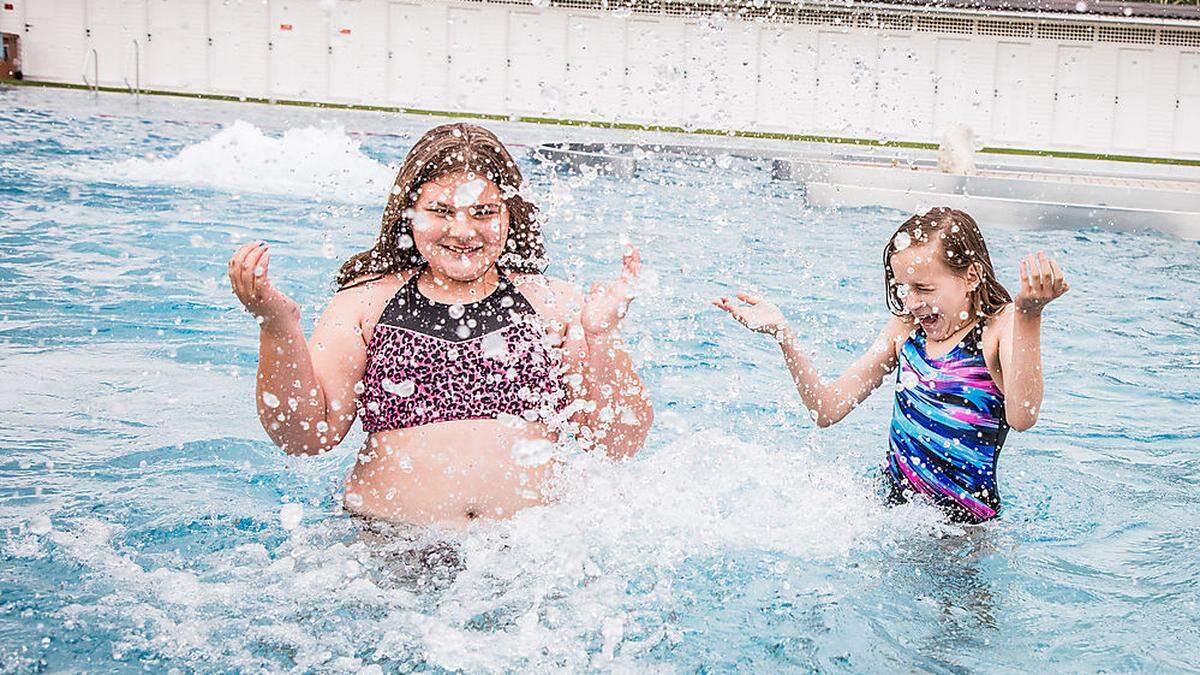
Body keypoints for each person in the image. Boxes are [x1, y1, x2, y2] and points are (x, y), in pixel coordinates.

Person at [228, 123, 652, 527]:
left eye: (483, 212)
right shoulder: (365, 303)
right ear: (410, 212)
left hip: (528, 551)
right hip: (388, 540)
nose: (462, 231)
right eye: (441, 211)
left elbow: (618, 443)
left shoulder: (554, 305)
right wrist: (278, 328)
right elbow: (305, 436)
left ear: (511, 216)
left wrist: (602, 337)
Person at [715, 208, 1068, 523]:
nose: (912, 302)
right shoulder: (906, 331)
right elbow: (826, 409)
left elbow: (1023, 416)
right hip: (893, 514)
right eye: (903, 288)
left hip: (965, 532)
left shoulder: (999, 328)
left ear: (972, 277)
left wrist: (1029, 314)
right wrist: (784, 336)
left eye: (924, 288)